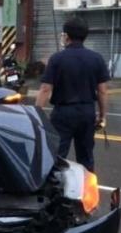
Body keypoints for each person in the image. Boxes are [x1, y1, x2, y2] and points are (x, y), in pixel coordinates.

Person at [35, 17, 109, 172]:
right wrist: (102, 115)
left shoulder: (57, 59)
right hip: (87, 112)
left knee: (56, 155)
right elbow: (102, 90)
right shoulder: (97, 58)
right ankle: (87, 191)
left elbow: (45, 89)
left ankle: (55, 190)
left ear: (66, 36)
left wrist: (37, 114)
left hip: (63, 113)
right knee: (86, 157)